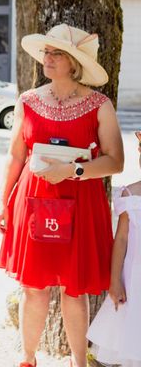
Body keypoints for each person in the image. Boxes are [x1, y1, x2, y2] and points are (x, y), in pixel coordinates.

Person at [0, 23, 124, 367]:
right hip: (33, 199)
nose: (46, 59)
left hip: (81, 202)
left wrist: (73, 170)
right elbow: (16, 156)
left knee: (74, 288)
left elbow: (115, 161)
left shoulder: (99, 104)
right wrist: (1, 203)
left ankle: (78, 362)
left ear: (74, 63)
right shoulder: (28, 100)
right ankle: (27, 357)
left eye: (56, 53)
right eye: (46, 52)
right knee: (33, 287)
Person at [87, 140, 141, 366]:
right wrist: (114, 281)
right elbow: (120, 240)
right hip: (134, 277)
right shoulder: (131, 194)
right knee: (132, 335)